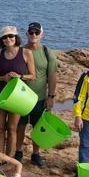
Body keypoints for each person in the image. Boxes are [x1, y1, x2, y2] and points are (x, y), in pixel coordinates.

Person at [0, 26, 36, 161]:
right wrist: (3, 78)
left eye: (11, 36)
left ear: (16, 38)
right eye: (5, 37)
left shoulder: (26, 53)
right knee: (1, 129)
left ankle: (9, 160)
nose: (8, 39)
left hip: (18, 97)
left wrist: (20, 77)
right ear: (1, 40)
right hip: (0, 96)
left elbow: (33, 76)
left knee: (12, 128)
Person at [17, 22, 59, 168]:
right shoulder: (20, 51)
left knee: (38, 127)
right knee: (20, 126)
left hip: (40, 98)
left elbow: (52, 76)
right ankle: (18, 152)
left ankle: (35, 154)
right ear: (27, 34)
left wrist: (51, 97)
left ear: (42, 34)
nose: (33, 35)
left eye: (36, 32)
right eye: (31, 32)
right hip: (20, 98)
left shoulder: (47, 53)